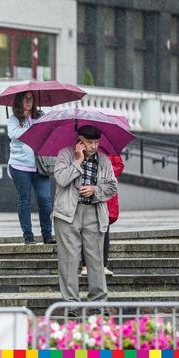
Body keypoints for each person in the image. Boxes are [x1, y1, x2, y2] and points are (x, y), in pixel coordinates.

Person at [53, 125, 117, 307]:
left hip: (94, 212)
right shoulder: (65, 154)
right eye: (90, 143)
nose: (94, 146)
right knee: (69, 260)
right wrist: (78, 161)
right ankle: (70, 304)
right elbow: (62, 179)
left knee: (95, 260)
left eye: (96, 142)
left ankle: (98, 304)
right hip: (67, 214)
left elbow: (112, 186)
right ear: (80, 142)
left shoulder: (104, 160)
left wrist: (95, 190)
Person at [7, 91, 54, 245]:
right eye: (25, 99)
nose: (28, 101)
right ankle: (28, 236)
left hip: (39, 164)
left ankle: (47, 235)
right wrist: (34, 131)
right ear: (19, 101)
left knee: (45, 200)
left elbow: (48, 134)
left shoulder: (40, 117)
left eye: (31, 99)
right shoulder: (13, 119)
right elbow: (14, 134)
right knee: (24, 199)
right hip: (19, 165)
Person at [81, 153, 124, 277]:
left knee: (105, 231)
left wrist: (104, 172)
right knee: (85, 231)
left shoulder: (110, 150)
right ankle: (85, 266)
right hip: (86, 195)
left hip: (104, 196)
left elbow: (119, 166)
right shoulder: (82, 149)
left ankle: (104, 265)